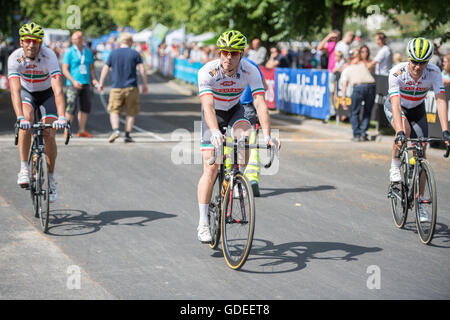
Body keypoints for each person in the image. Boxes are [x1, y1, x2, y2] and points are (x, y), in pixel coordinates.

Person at [196, 30, 279, 242]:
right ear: (219, 52)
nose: (228, 57)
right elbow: (207, 106)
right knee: (211, 167)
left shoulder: (250, 70)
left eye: (234, 53)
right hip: (214, 114)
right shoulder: (208, 71)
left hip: (235, 109)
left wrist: (269, 136)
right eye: (225, 52)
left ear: (241, 54)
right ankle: (203, 222)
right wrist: (214, 131)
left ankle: (235, 178)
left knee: (245, 135)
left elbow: (260, 102)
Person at [385, 38, 449, 221]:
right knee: (404, 131)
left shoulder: (434, 72)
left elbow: (440, 100)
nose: (418, 67)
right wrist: (398, 132)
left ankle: (420, 201)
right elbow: (396, 105)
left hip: (418, 108)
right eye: (414, 61)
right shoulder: (396, 73)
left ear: (428, 62)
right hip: (396, 107)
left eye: (422, 63)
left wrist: (445, 131)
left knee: (422, 152)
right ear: (408, 59)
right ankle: (395, 165)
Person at [8, 22, 67, 202]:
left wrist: (62, 116)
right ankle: (24, 167)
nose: (32, 45)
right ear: (21, 42)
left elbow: (58, 89)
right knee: (26, 120)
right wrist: (19, 117)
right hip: (27, 93)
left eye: (36, 41)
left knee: (49, 132)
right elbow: (15, 91)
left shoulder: (49, 56)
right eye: (28, 40)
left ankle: (50, 178)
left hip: (47, 93)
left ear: (41, 43)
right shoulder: (15, 58)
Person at [98, 32, 148, 143]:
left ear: (121, 42)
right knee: (131, 112)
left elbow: (105, 69)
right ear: (130, 42)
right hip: (132, 87)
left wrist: (101, 83)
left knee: (114, 111)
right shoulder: (135, 53)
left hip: (116, 87)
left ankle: (116, 130)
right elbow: (142, 69)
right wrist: (145, 84)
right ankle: (127, 134)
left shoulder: (113, 53)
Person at [241, 56, 268, 197]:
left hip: (231, 107)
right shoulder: (252, 65)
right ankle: (252, 178)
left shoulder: (225, 64)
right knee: (251, 143)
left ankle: (230, 176)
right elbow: (265, 87)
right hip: (249, 109)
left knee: (229, 143)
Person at [62, 31, 98, 138]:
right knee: (71, 108)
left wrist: (94, 79)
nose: (75, 41)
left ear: (82, 39)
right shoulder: (69, 52)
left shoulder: (88, 52)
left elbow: (91, 68)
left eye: (77, 38)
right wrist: (73, 81)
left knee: (85, 108)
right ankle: (66, 130)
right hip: (73, 84)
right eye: (73, 39)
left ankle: (82, 130)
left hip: (86, 83)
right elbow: (64, 69)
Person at [341, 49, 376, 141]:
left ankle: (357, 134)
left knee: (355, 112)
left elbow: (344, 85)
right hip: (371, 86)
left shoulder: (347, 69)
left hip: (358, 87)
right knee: (367, 111)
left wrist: (343, 99)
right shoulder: (362, 65)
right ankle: (363, 133)